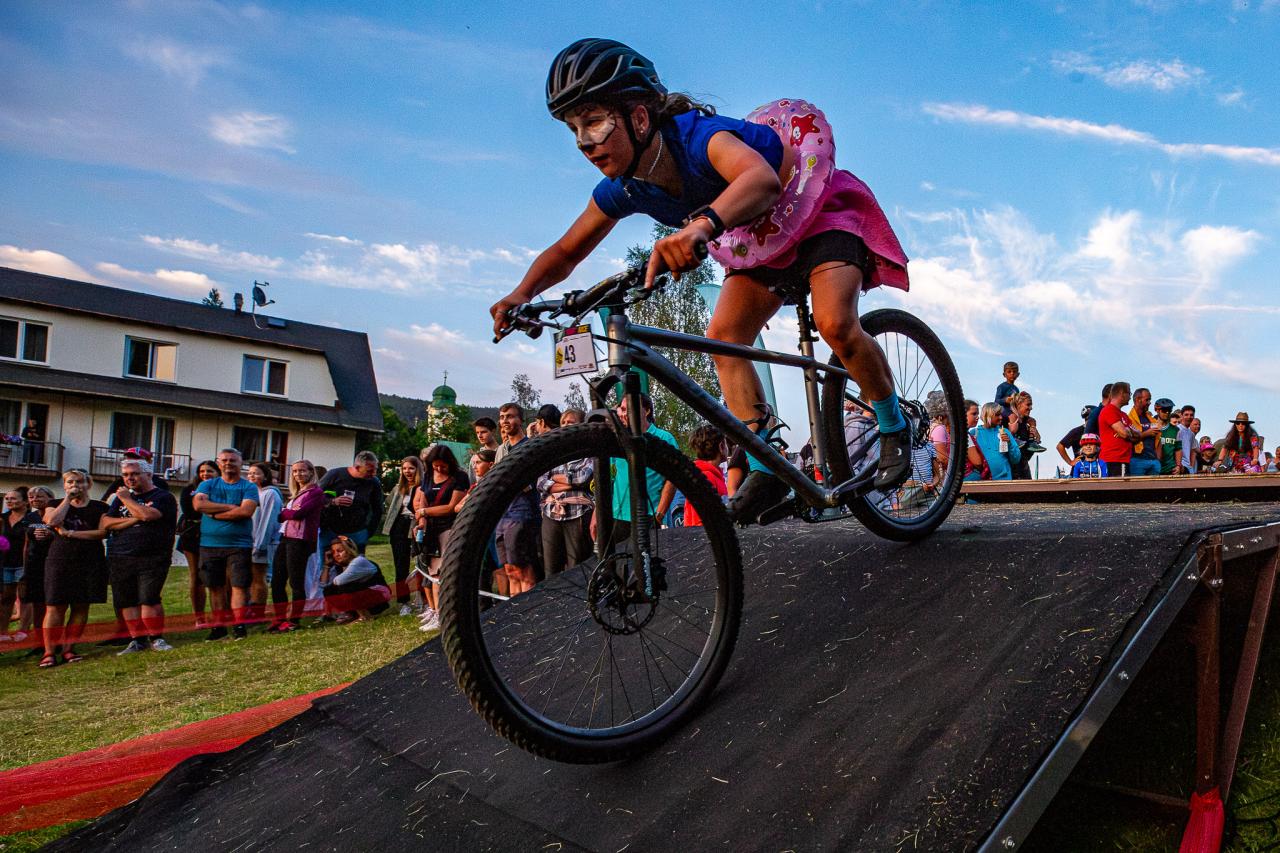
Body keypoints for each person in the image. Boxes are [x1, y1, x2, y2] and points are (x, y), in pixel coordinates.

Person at [491, 39, 914, 527]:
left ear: (639, 118)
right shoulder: (625, 187)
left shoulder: (698, 138)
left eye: (595, 122)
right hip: (761, 240)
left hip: (818, 214)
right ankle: (766, 467)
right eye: (574, 129)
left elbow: (760, 180)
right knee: (725, 337)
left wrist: (699, 226)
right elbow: (567, 250)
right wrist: (522, 293)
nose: (584, 142)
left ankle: (893, 425)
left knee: (835, 323)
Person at [103, 458, 178, 654]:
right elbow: (106, 523)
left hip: (152, 555)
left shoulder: (163, 497)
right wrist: (133, 518)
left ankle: (156, 638)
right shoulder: (118, 500)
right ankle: (137, 640)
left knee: (149, 598)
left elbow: (148, 515)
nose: (130, 478)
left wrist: (127, 500)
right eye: (125, 475)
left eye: (135, 474)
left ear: (149, 474)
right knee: (126, 600)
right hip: (121, 555)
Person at [42, 470, 109, 666]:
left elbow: (102, 532)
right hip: (60, 559)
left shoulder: (100, 507)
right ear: (64, 485)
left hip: (89, 560)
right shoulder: (54, 504)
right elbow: (52, 521)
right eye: (70, 482)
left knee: (81, 605)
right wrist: (67, 500)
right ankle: (49, 652)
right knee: (55, 606)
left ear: (88, 484)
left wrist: (70, 533)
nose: (75, 485)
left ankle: (68, 649)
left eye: (79, 482)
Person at [591, 392, 677, 542]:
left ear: (647, 410)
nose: (625, 413)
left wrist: (659, 514)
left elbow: (673, 478)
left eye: (630, 408)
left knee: (649, 556)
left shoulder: (664, 438)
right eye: (623, 409)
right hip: (618, 516)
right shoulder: (618, 440)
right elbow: (608, 479)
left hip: (649, 515)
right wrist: (596, 514)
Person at [192, 448, 259, 640]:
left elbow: (245, 512)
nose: (228, 463)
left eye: (232, 460)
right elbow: (199, 505)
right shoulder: (207, 484)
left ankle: (239, 626)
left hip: (239, 544)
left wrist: (213, 514)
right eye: (224, 460)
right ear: (219, 463)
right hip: (209, 543)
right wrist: (230, 507)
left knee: (239, 585)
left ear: (240, 463)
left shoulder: (248, 487)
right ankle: (219, 627)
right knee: (215, 586)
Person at [414, 445, 469, 631]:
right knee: (434, 573)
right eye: (435, 465)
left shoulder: (459, 477)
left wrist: (424, 512)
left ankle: (449, 612)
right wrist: (421, 522)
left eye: (442, 466)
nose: (439, 469)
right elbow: (422, 501)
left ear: (449, 463)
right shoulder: (428, 476)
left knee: (445, 571)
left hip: (449, 527)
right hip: (431, 530)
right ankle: (438, 613)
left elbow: (451, 507)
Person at [490, 403, 540, 597]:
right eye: (502, 417)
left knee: (523, 568)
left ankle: (529, 608)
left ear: (520, 420)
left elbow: (530, 482)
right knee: (509, 568)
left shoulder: (530, 446)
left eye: (510, 416)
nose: (505, 421)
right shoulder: (501, 450)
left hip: (523, 511)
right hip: (503, 512)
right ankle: (514, 607)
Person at [271, 459, 324, 632]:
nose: (298, 474)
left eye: (302, 470)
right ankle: (279, 618)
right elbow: (282, 516)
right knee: (277, 580)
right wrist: (289, 512)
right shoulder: (297, 493)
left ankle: (294, 620)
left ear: (311, 472)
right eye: (294, 471)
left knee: (296, 581)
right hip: (286, 537)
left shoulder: (316, 492)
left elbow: (299, 513)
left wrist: (287, 512)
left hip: (300, 540)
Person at [536, 429, 594, 573]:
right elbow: (541, 483)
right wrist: (572, 483)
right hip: (551, 513)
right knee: (551, 567)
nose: (567, 426)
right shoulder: (553, 455)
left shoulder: (588, 455)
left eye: (571, 422)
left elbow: (583, 479)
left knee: (577, 566)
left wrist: (555, 478)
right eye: (564, 423)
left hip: (578, 514)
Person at [177, 460, 219, 628]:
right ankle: (199, 617)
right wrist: (216, 510)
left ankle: (220, 614)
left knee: (217, 577)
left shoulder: (223, 488)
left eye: (209, 471)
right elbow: (192, 511)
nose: (205, 474)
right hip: (193, 536)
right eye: (202, 471)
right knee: (196, 576)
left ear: (217, 473)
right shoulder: (189, 490)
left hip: (216, 537)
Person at [318, 451, 384, 554]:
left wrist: (369, 531)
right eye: (370, 471)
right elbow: (313, 497)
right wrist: (332, 501)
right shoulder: (334, 475)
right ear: (357, 467)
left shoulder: (373, 482)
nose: (374, 474)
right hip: (330, 531)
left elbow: (378, 508)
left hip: (357, 532)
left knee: (356, 563)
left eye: (375, 470)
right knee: (327, 561)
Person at [383, 456, 425, 616]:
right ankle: (404, 602)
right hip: (398, 527)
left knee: (421, 563)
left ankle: (423, 598)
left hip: (416, 524)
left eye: (411, 468)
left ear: (418, 469)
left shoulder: (423, 487)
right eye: (405, 468)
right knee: (401, 565)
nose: (407, 471)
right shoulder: (398, 488)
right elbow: (389, 504)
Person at [321, 535, 391, 623]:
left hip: (380, 598)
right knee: (328, 591)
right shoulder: (340, 565)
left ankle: (364, 616)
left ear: (349, 550)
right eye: (333, 552)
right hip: (367, 597)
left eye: (340, 551)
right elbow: (323, 585)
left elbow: (338, 581)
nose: (336, 555)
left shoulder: (359, 561)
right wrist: (327, 565)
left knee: (345, 585)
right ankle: (352, 614)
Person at [246, 462, 283, 624]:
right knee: (249, 578)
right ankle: (249, 608)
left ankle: (258, 613)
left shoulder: (270, 494)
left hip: (262, 543)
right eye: (250, 473)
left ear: (265, 475)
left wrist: (260, 544)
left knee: (258, 577)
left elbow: (268, 521)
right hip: (248, 541)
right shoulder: (253, 493)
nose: (252, 476)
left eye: (256, 473)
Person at [20, 486, 55, 653]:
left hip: (54, 562)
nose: (35, 499)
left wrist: (51, 535)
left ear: (50, 497)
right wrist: (25, 567)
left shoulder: (57, 513)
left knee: (53, 603)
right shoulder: (30, 517)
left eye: (39, 496)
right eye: (31, 497)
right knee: (37, 603)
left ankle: (54, 640)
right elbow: (26, 543)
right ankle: (39, 642)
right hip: (35, 564)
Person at [0, 489, 31, 642]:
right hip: (5, 563)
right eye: (7, 498)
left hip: (24, 563)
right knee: (6, 597)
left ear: (25, 501)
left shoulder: (31, 519)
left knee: (25, 597)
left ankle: (23, 631)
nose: (9, 501)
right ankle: (2, 632)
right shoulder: (2, 518)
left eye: (13, 498)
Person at [684, 423, 728, 527]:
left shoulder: (708, 475)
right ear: (721, 446)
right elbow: (701, 522)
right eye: (726, 444)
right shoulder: (705, 478)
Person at [967, 403, 1021, 481]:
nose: (1001, 417)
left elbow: (1016, 459)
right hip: (982, 481)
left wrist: (1009, 444)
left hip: (1004, 480)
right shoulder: (974, 433)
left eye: (1001, 414)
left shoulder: (1005, 432)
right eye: (997, 415)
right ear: (987, 415)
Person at [1098, 382, 1137, 478]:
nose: (1130, 397)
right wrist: (1126, 432)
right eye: (1129, 393)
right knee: (1115, 486)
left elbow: (1138, 435)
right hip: (1112, 460)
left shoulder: (1124, 415)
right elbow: (1124, 434)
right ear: (1122, 393)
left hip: (1123, 460)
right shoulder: (1109, 410)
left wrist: (1126, 430)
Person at [1125, 388, 1162, 477]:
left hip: (1153, 461)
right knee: (1137, 486)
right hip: (1137, 460)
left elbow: (1158, 440)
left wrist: (1158, 460)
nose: (1149, 402)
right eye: (1147, 400)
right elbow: (1128, 439)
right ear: (1138, 399)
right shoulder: (1128, 419)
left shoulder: (1152, 420)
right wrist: (1146, 433)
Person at [1006, 391, 1040, 480]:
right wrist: (1012, 432)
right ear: (1018, 404)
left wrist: (1034, 435)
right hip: (1010, 469)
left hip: (1023, 467)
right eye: (1028, 405)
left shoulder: (1027, 423)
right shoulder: (1009, 419)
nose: (1031, 408)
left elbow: (1028, 451)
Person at [1154, 398, 1181, 476]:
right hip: (1153, 468)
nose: (1167, 413)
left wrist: (1178, 466)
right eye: (1164, 410)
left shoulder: (1176, 430)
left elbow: (1178, 449)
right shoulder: (1151, 427)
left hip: (1170, 469)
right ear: (1157, 410)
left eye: (1169, 410)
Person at [1177, 406, 1198, 474]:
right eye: (1186, 414)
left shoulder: (1191, 434)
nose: (1189, 417)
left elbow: (1192, 451)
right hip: (1179, 466)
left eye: (1191, 415)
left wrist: (1191, 467)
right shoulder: (1176, 430)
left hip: (1187, 467)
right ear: (1181, 416)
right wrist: (1178, 465)